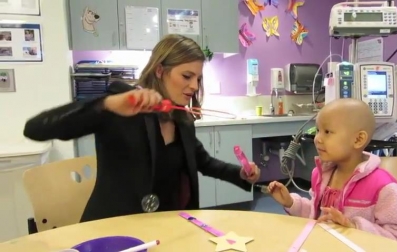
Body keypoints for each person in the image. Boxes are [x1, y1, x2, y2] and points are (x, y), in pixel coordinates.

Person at [23, 34, 260, 222]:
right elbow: (36, 129)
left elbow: (204, 162)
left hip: (166, 227)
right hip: (115, 230)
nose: (193, 86)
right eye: (187, 76)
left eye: (198, 79)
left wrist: (240, 174)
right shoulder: (121, 104)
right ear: (160, 70)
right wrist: (106, 105)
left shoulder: (182, 118)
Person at [268, 98, 397, 244]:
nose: (317, 139)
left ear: (358, 139)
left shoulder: (383, 187)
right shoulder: (321, 175)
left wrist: (353, 227)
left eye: (327, 132)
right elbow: (316, 215)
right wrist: (291, 202)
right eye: (318, 131)